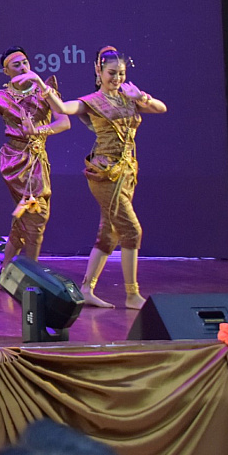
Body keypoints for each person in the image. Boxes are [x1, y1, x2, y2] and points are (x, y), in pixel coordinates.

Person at [50, 46, 166, 310]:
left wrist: (141, 97)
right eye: (112, 73)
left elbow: (161, 108)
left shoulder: (128, 97)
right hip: (105, 173)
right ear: (98, 71)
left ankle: (86, 289)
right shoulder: (92, 101)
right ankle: (132, 294)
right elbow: (64, 107)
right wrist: (45, 91)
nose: (117, 78)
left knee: (109, 233)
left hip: (127, 172)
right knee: (132, 230)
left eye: (121, 73)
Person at [0, 48, 70, 262]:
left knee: (25, 218)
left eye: (25, 63)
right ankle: (32, 272)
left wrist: (38, 130)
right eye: (16, 65)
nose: (23, 67)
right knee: (36, 215)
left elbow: (64, 122)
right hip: (15, 160)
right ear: (6, 71)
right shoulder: (0, 98)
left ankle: (7, 271)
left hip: (39, 158)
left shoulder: (45, 91)